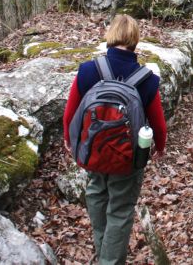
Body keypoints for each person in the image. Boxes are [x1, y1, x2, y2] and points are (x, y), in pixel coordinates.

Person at [62, 14, 167, 265]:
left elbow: (70, 112)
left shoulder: (88, 70)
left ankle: (104, 254)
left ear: (111, 35)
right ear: (135, 39)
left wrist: (69, 139)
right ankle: (109, 261)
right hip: (127, 157)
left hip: (93, 151)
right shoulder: (147, 79)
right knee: (120, 210)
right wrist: (160, 147)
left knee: (96, 195)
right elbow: (158, 124)